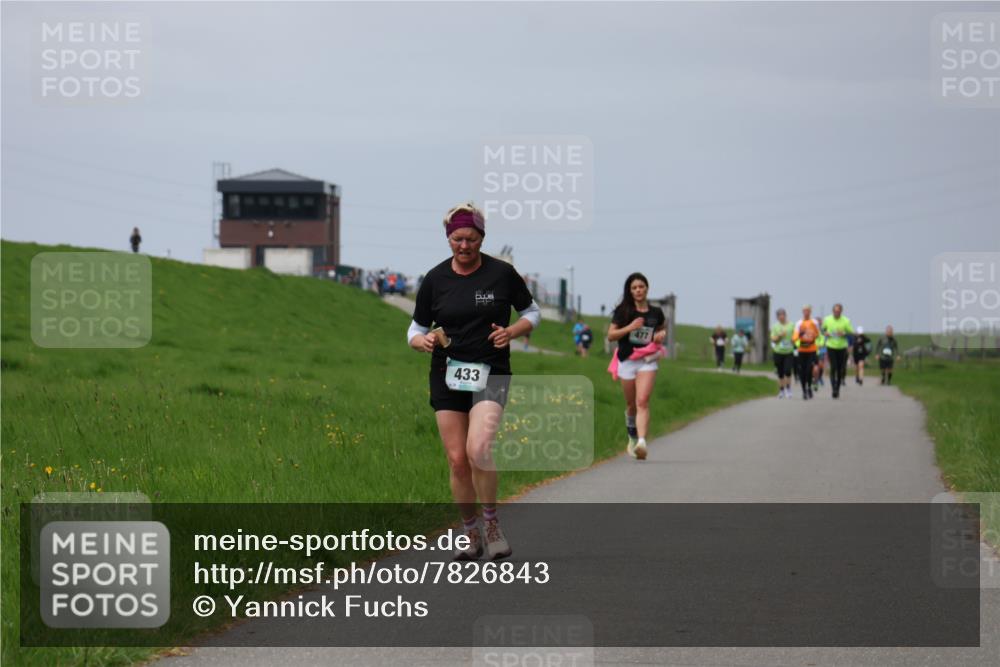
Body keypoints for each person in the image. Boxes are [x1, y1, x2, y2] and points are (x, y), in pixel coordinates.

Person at [407, 203, 541, 560]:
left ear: (482, 238)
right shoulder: (435, 280)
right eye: (457, 239)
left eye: (471, 239)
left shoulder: (502, 274)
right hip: (446, 373)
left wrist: (512, 330)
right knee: (456, 460)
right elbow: (415, 328)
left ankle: (493, 524)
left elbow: (532, 312)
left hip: (491, 369)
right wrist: (422, 341)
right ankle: (469, 532)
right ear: (448, 239)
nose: (464, 246)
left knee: (479, 448)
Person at [607, 273, 666, 461]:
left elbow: (661, 329)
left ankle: (642, 442)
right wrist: (630, 327)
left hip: (648, 361)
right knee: (631, 404)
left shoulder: (656, 312)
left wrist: (660, 335)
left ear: (647, 288)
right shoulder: (623, 311)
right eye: (634, 288)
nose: (638, 290)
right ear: (630, 291)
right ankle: (632, 436)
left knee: (642, 401)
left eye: (641, 286)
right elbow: (611, 336)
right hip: (627, 360)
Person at [822, 303, 854, 399]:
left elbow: (851, 332)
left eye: (838, 311)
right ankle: (834, 389)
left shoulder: (846, 320)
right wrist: (825, 333)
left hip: (842, 347)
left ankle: (838, 388)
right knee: (833, 367)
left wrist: (844, 333)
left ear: (841, 311)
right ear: (833, 311)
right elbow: (822, 330)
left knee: (840, 369)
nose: (836, 312)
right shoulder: (827, 319)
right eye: (835, 311)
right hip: (831, 346)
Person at [793, 305, 820, 400]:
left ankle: (809, 388)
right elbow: (794, 337)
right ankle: (804, 390)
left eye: (808, 311)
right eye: (804, 311)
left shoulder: (814, 322)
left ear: (810, 312)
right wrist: (800, 334)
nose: (806, 312)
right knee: (802, 372)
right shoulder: (799, 323)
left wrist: (811, 336)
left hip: (812, 350)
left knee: (809, 370)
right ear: (802, 312)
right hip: (802, 350)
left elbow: (817, 334)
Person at [770, 308, 796, 398]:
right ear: (777, 317)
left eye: (783, 315)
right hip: (778, 352)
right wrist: (779, 336)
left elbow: (796, 335)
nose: (781, 317)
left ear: (785, 315)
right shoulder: (775, 326)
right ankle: (781, 390)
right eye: (779, 315)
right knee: (780, 372)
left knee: (788, 371)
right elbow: (773, 339)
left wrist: (794, 339)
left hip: (788, 351)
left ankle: (788, 389)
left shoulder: (791, 325)